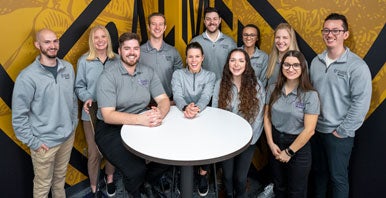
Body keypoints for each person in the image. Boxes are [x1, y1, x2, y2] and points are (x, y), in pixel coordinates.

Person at [95, 32, 170, 197]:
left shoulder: (147, 72)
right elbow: (108, 115)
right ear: (120, 51)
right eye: (127, 48)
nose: (132, 52)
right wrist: (140, 120)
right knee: (136, 170)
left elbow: (163, 99)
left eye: (136, 48)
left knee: (169, 156)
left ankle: (146, 183)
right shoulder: (108, 76)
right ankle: (135, 192)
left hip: (141, 125)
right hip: (111, 129)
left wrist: (159, 114)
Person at [309, 13, 372, 198]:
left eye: (336, 30)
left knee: (338, 179)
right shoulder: (315, 62)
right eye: (326, 30)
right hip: (315, 131)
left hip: (338, 135)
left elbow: (361, 103)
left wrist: (342, 131)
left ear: (345, 34)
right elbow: (310, 95)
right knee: (319, 175)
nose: (330, 34)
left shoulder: (357, 66)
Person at [12, 28, 78, 198]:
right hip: (44, 143)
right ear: (37, 45)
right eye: (47, 42)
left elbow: (72, 98)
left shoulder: (68, 69)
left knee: (59, 180)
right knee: (42, 186)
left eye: (55, 41)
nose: (52, 45)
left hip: (66, 137)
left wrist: (73, 124)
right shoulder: (27, 77)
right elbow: (19, 116)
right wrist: (33, 142)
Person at [264, 50, 320, 197]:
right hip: (275, 142)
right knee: (279, 187)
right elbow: (267, 118)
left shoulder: (310, 95)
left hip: (298, 147)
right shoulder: (272, 89)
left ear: (302, 68)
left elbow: (309, 130)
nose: (290, 69)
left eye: (295, 65)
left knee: (296, 192)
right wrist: (270, 143)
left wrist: (289, 152)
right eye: (287, 65)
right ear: (282, 67)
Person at [212, 49, 265, 197]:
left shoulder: (257, 86)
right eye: (233, 60)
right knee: (227, 176)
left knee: (240, 178)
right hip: (226, 140)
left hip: (248, 141)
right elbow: (216, 113)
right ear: (228, 63)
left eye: (241, 60)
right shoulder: (220, 84)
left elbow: (258, 117)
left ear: (247, 64)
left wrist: (249, 141)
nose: (236, 64)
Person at [75, 25, 119, 197]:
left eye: (103, 36)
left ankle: (110, 179)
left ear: (108, 39)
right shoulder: (84, 61)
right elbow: (79, 86)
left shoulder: (117, 59)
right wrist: (86, 97)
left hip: (112, 112)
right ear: (91, 41)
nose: (100, 40)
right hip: (90, 113)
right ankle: (94, 188)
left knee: (112, 149)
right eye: (96, 37)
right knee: (94, 153)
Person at [171, 42, 216, 196]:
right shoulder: (178, 74)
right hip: (181, 117)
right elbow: (177, 95)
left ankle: (203, 173)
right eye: (190, 56)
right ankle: (180, 174)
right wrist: (185, 108)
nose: (194, 60)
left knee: (209, 143)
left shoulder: (210, 76)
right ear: (186, 58)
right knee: (179, 143)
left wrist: (195, 109)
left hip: (202, 117)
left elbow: (205, 96)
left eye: (197, 56)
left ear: (202, 58)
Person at [139, 12, 183, 103]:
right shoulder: (138, 52)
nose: (157, 28)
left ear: (165, 27)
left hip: (169, 101)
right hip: (145, 103)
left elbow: (180, 79)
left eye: (160, 24)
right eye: (154, 24)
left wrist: (175, 100)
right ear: (148, 27)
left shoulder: (173, 52)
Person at [190, 7, 236, 80]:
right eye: (208, 19)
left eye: (215, 19)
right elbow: (190, 68)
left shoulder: (230, 42)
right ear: (204, 21)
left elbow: (235, 67)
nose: (212, 22)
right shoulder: (195, 42)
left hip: (224, 87)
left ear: (220, 20)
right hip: (202, 87)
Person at [266, 23, 300, 87]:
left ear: (291, 39)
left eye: (285, 38)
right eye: (277, 37)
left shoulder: (300, 61)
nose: (280, 41)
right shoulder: (269, 59)